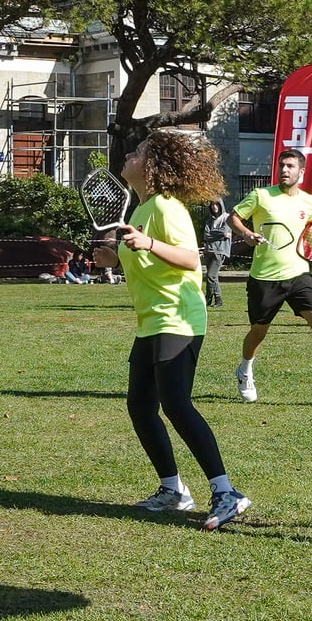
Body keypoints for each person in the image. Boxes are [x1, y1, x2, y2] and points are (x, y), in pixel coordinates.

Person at [93, 128, 250, 531]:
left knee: (176, 403)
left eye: (140, 150)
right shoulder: (141, 211)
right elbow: (143, 260)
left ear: (154, 167)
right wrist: (113, 257)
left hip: (177, 318)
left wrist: (146, 245)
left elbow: (186, 258)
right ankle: (174, 490)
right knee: (140, 406)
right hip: (152, 321)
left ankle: (226, 491)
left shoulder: (166, 207)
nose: (131, 152)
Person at [230, 148, 312, 403]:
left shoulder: (309, 202)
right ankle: (244, 370)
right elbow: (233, 218)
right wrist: (246, 234)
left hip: (299, 274)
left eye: (290, 166)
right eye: (281, 165)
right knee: (258, 332)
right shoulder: (260, 196)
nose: (284, 170)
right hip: (265, 278)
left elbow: (309, 231)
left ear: (301, 171)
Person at [202, 201, 231, 308]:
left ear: (221, 205)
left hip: (220, 251)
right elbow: (206, 235)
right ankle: (218, 299)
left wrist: (217, 234)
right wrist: (220, 234)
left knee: (210, 276)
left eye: (217, 204)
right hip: (208, 250)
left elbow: (225, 231)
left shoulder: (226, 218)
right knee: (214, 277)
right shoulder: (210, 220)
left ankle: (208, 298)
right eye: (212, 205)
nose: (214, 207)